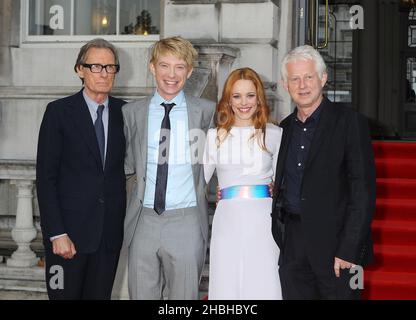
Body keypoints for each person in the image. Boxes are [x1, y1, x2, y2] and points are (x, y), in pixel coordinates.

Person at [271, 45, 376, 299]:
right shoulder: (282, 129)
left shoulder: (350, 122)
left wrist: (349, 249)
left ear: (323, 78)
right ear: (286, 85)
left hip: (337, 247)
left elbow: (362, 192)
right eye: (294, 79)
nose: (302, 85)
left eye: (309, 77)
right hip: (293, 245)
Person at [122, 36, 215, 300]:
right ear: (153, 67)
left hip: (186, 221)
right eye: (164, 65)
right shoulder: (131, 113)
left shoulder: (206, 112)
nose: (171, 75)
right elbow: (127, 166)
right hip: (143, 221)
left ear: (189, 71)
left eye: (179, 67)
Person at [36, 38, 127, 299]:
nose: (105, 73)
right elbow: (46, 178)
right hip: (67, 239)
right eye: (96, 66)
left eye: (111, 67)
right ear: (80, 69)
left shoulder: (126, 113)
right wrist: (57, 233)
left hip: (107, 239)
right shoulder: (58, 112)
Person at [204, 67, 282, 300]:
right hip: (227, 222)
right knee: (227, 283)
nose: (243, 103)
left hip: (264, 222)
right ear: (228, 100)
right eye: (236, 96)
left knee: (264, 281)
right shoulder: (213, 137)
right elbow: (196, 184)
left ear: (259, 98)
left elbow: (285, 185)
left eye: (250, 95)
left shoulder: (275, 134)